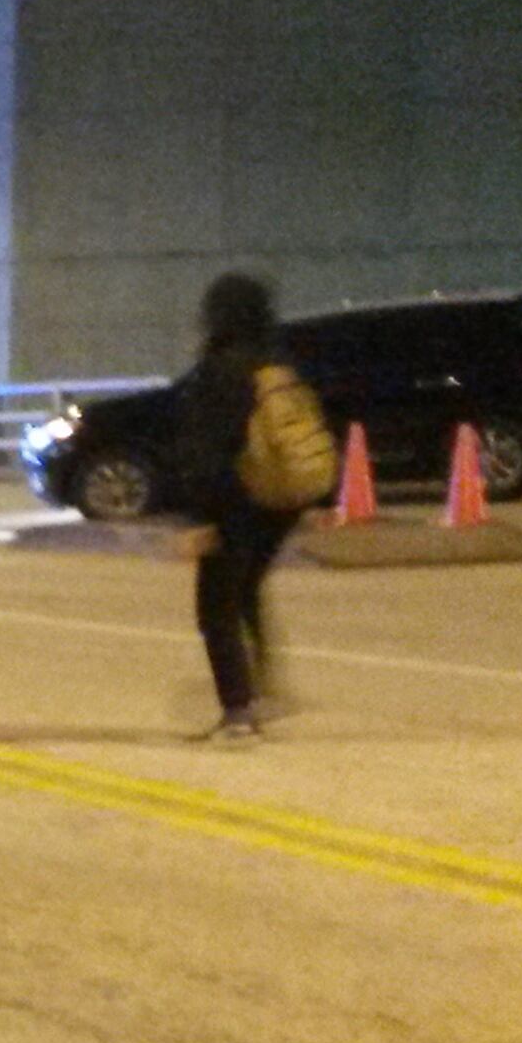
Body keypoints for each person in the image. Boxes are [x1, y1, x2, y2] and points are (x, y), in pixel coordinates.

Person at [170, 271, 312, 740]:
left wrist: (202, 518)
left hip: (235, 500)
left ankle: (238, 713)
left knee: (215, 608)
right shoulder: (275, 361)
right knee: (246, 589)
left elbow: (210, 448)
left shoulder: (221, 369)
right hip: (279, 503)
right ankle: (262, 687)